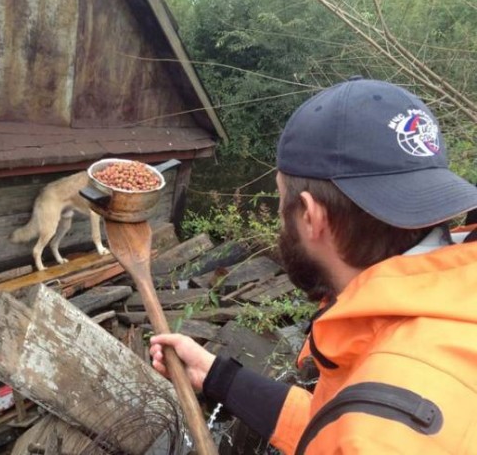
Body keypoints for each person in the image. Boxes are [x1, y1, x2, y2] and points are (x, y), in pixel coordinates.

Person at [150, 77, 477, 454]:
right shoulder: (442, 316)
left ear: (310, 215)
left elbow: (363, 435)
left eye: (279, 199)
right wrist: (219, 378)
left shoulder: (377, 437)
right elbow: (338, 427)